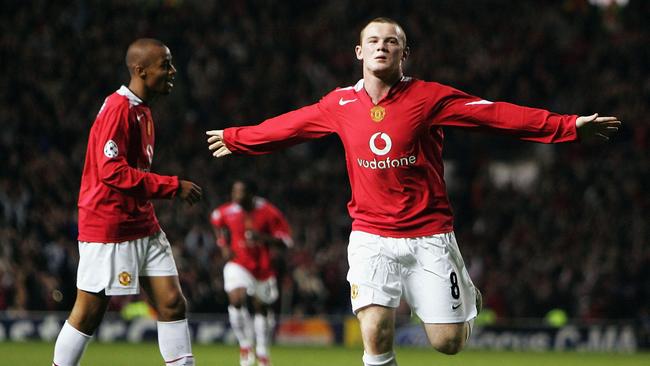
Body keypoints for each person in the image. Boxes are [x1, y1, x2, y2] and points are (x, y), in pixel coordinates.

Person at [205, 17, 620, 366]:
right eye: (373, 41)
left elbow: (495, 115)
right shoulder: (340, 104)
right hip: (370, 236)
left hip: (429, 235)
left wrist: (566, 126)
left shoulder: (430, 98)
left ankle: (464, 295)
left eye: (392, 42)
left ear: (405, 54)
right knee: (375, 331)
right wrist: (239, 138)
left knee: (447, 343)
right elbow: (291, 125)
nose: (382, 47)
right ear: (359, 53)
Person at [52, 38, 202, 366]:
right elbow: (112, 171)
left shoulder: (142, 110)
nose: (172, 71)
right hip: (109, 224)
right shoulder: (118, 109)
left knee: (173, 303)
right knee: (89, 313)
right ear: (140, 70)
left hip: (142, 222)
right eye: (165, 65)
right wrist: (172, 186)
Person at [209, 179, 292, 366]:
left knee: (262, 308)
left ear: (251, 194)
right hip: (237, 263)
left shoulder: (269, 212)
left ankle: (262, 350)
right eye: (234, 191)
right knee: (236, 299)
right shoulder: (228, 210)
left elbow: (286, 241)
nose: (235, 196)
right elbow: (216, 220)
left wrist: (262, 238)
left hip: (262, 267)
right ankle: (245, 345)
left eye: (240, 192)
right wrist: (223, 245)